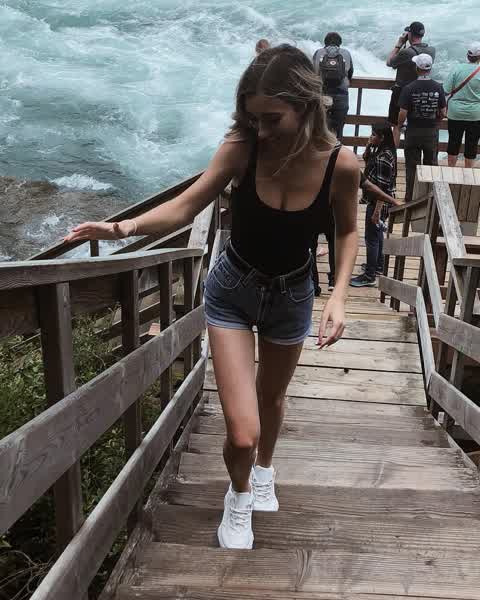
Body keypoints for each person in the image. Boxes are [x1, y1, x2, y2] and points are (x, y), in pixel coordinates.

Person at [65, 45, 360, 550]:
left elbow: (348, 230)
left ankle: (264, 470)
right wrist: (120, 228)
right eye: (253, 118)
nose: (261, 130)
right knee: (242, 431)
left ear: (306, 105)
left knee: (272, 398)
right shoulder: (242, 147)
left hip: (293, 294)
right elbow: (186, 207)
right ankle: (239, 493)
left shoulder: (342, 165)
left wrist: (339, 296)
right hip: (233, 291)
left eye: (272, 118)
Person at [351, 122, 399, 287]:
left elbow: (382, 189)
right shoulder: (381, 151)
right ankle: (378, 266)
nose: (370, 137)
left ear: (382, 137)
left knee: (371, 238)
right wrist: (369, 145)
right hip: (378, 201)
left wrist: (377, 212)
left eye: (373, 135)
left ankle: (369, 276)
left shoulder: (384, 158)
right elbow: (367, 159)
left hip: (379, 203)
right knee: (377, 234)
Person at [398, 54, 447, 203]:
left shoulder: (409, 88)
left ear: (416, 68)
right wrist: (436, 121)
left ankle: (410, 197)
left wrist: (400, 126)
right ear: (430, 69)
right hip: (431, 131)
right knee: (431, 165)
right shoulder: (438, 87)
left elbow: (402, 113)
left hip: (413, 131)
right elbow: (443, 112)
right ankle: (429, 197)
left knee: (412, 166)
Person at [386, 21, 436, 144]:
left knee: (397, 126)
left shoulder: (407, 52)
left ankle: (393, 153)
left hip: (402, 92)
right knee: (414, 125)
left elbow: (389, 62)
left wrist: (399, 44)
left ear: (410, 34)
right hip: (421, 92)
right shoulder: (431, 51)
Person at [444, 42, 480, 168]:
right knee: (472, 144)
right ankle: (468, 173)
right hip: (475, 114)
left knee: (453, 142)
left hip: (455, 112)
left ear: (468, 56)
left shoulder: (457, 68)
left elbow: (446, 90)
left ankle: (451, 170)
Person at [313, 31, 354, 139]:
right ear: (340, 43)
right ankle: (337, 148)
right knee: (338, 129)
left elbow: (313, 73)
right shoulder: (346, 53)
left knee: (321, 129)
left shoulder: (318, 53)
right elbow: (350, 73)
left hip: (323, 95)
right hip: (341, 95)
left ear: (325, 43)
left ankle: (322, 148)